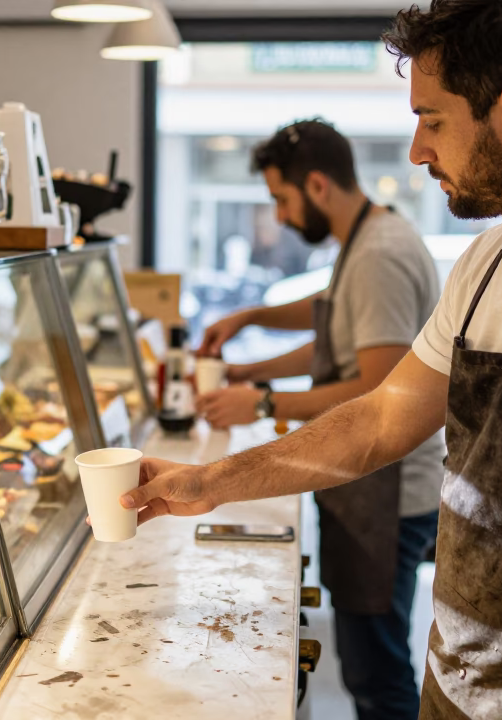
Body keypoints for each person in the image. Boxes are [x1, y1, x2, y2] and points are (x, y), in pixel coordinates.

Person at [125, 1, 502, 717]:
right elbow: (378, 420)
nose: (416, 152)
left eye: (432, 120)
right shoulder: (487, 260)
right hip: (455, 691)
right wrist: (208, 483)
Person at [196, 119, 443, 720]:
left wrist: (262, 402)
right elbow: (333, 333)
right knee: (367, 661)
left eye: (281, 199)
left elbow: (379, 388)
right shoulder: (366, 239)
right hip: (367, 484)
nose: (280, 217)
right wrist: (249, 344)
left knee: (376, 671)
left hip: (387, 493)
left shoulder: (379, 254)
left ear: (316, 185)